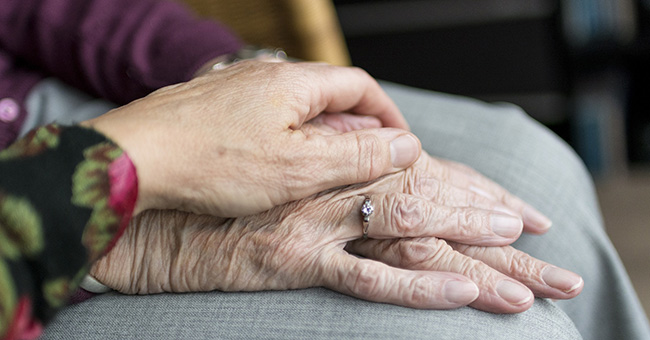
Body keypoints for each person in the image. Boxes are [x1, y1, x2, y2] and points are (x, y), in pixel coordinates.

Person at [0, 1, 648, 340]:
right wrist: (128, 215)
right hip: (26, 253)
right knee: (488, 328)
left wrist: (229, 78)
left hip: (52, 102)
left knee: (532, 168)